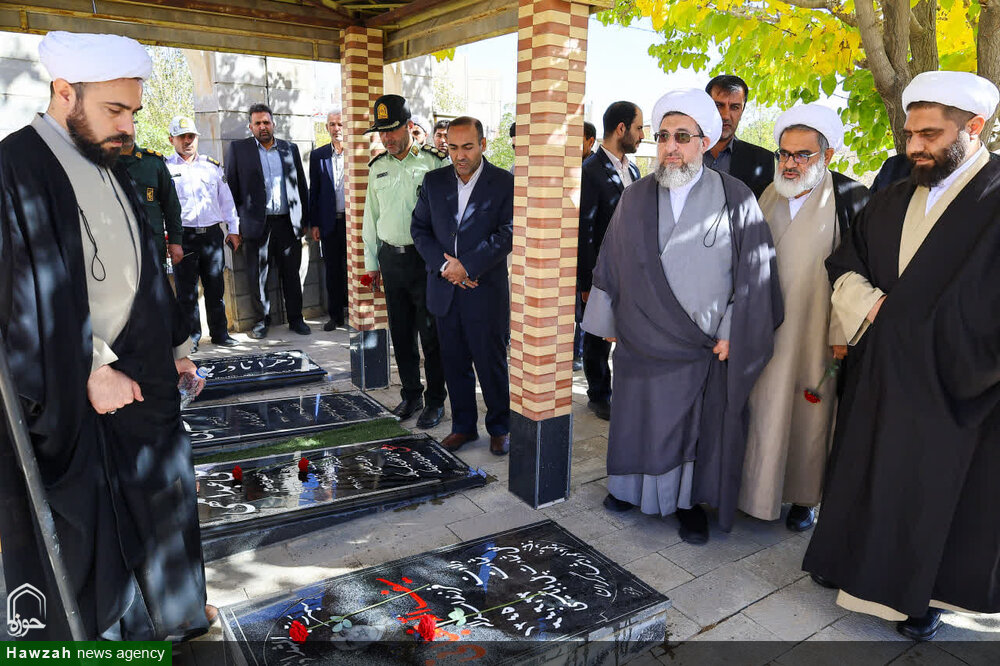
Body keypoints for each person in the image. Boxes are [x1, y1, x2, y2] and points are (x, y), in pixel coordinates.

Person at [0, 31, 210, 640]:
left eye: (133, 112)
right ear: (65, 92)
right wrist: (91, 366)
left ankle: (177, 616)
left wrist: (176, 348)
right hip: (77, 383)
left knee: (165, 494)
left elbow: (142, 263)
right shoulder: (15, 166)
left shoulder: (106, 157)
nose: (127, 127)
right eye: (114, 110)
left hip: (143, 367)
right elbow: (19, 294)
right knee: (97, 532)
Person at [803, 71, 1000, 640]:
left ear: (975, 127)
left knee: (930, 492)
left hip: (957, 383)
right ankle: (847, 563)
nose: (914, 146)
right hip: (880, 371)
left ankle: (923, 594)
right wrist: (874, 308)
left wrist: (933, 329)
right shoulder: (891, 197)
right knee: (865, 471)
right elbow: (846, 265)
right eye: (910, 134)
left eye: (930, 135)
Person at [582, 88, 782, 544]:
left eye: (682, 137)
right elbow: (611, 260)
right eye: (663, 136)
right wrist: (609, 324)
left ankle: (687, 505)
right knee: (637, 421)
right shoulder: (635, 196)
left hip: (702, 347)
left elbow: (755, 274)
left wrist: (733, 330)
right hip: (641, 342)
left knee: (692, 432)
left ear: (704, 141)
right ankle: (627, 490)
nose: (670, 146)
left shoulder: (736, 197)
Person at [738, 104, 869, 532]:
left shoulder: (851, 198)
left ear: (826, 156)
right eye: (784, 153)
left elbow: (859, 274)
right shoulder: (767, 193)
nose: (790, 163)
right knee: (761, 409)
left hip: (816, 332)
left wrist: (842, 334)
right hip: (762, 329)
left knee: (809, 414)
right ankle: (754, 493)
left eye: (802, 155)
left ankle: (803, 498)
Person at [411, 116, 513, 455]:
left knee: (491, 362)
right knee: (453, 362)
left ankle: (500, 427)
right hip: (445, 289)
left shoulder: (504, 182)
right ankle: (463, 427)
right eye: (453, 147)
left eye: (467, 147)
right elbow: (419, 229)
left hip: (484, 290)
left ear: (483, 144)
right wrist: (446, 267)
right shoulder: (434, 181)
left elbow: (508, 232)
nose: (459, 155)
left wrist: (467, 265)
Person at [362, 94, 449, 428]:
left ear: (410, 126)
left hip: (425, 261)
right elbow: (371, 219)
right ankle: (411, 394)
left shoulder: (433, 163)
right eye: (382, 132)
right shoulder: (377, 167)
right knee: (400, 333)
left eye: (392, 130)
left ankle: (436, 400)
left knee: (431, 335)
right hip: (391, 259)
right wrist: (372, 264)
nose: (386, 138)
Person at [578, 101, 643, 420]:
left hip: (631, 269)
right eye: (638, 128)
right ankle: (598, 394)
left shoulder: (634, 170)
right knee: (597, 337)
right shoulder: (589, 171)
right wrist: (587, 282)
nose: (642, 135)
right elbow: (584, 229)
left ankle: (622, 390)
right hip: (600, 271)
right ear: (621, 129)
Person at [225, 103, 311, 338]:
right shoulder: (239, 150)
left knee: (291, 274)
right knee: (258, 276)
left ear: (273, 124)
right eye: (258, 123)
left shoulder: (289, 149)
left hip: (288, 224)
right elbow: (231, 190)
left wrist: (304, 220)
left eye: (266, 122)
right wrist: (234, 227)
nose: (263, 127)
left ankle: (296, 319)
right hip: (256, 226)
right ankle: (262, 321)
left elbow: (301, 185)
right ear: (250, 126)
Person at [166, 115, 241, 352]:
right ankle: (191, 338)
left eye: (191, 136)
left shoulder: (212, 166)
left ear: (197, 138)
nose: (187, 141)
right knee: (186, 293)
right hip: (183, 238)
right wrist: (168, 239)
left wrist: (233, 229)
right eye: (181, 137)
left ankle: (220, 333)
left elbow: (226, 201)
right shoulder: (165, 169)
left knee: (216, 287)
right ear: (171, 139)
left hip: (211, 236)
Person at [309, 109, 348, 331]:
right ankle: (336, 316)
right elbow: (314, 191)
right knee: (332, 270)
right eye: (332, 124)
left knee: (354, 269)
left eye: (340, 124)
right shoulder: (319, 156)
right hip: (329, 223)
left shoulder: (357, 155)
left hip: (353, 224)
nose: (336, 128)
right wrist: (315, 223)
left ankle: (356, 312)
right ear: (327, 128)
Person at [704, 75, 775, 198]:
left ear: (742, 111)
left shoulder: (762, 160)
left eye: (734, 107)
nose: (726, 115)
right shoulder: (684, 152)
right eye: (718, 105)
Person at [118, 136, 183, 269]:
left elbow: (171, 205)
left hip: (152, 244)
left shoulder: (153, 163)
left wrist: (175, 241)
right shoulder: (100, 163)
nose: (125, 132)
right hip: (116, 244)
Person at [573, 120, 599, 371]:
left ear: (590, 141)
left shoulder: (591, 171)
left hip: (589, 258)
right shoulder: (570, 167)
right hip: (569, 253)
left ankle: (578, 354)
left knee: (584, 312)